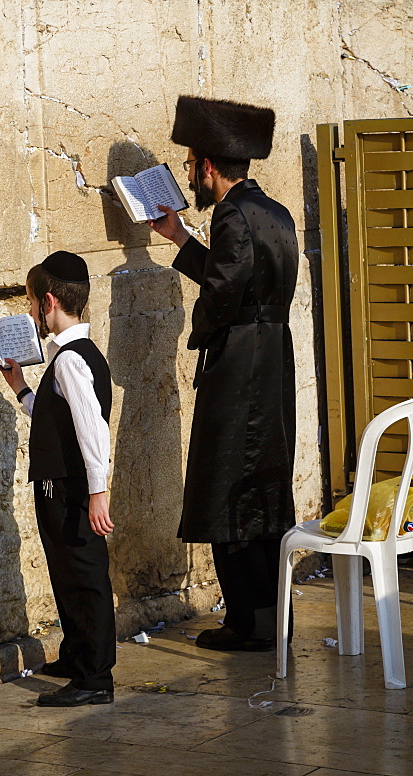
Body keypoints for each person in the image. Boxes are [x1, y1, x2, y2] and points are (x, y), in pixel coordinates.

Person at [149, 97, 298, 652]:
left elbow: (224, 289)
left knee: (225, 485)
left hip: (239, 367)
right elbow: (242, 274)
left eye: (190, 166)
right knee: (260, 483)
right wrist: (180, 239)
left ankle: (246, 624)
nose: (189, 175)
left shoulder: (232, 215)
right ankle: (266, 617)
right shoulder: (274, 212)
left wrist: (201, 334)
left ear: (209, 167)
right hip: (271, 361)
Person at [0, 250, 116, 705]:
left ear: (48, 302)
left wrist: (98, 493)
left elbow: (91, 430)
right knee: (67, 574)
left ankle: (94, 679)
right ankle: (76, 655)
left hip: (71, 491)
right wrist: (22, 389)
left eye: (30, 303)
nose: (30, 313)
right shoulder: (71, 357)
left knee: (84, 578)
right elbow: (56, 421)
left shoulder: (70, 360)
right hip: (62, 488)